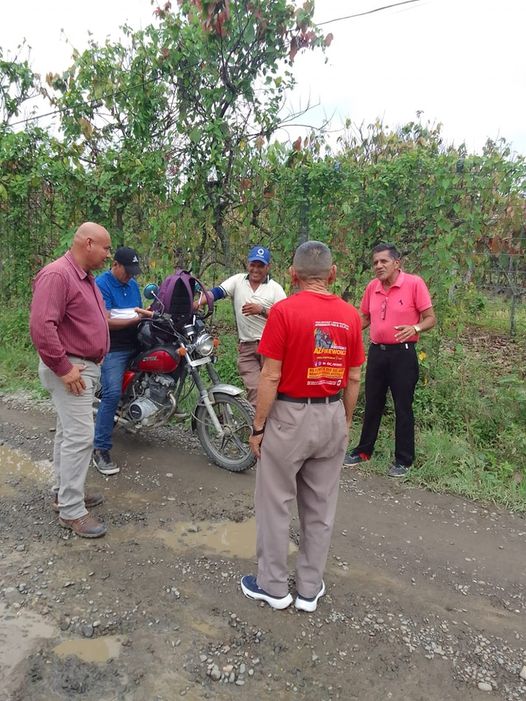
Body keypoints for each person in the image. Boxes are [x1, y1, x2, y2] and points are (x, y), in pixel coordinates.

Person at [240, 241, 365, 612]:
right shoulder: (350, 316)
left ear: (292, 275)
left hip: (289, 417)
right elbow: (354, 377)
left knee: (275, 502)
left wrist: (258, 427)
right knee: (320, 507)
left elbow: (270, 375)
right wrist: (344, 420)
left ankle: (273, 586)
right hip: (331, 414)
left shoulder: (283, 312)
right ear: (333, 274)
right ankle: (309, 589)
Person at [29, 222, 112, 538]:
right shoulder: (57, 275)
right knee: (80, 437)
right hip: (71, 369)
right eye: (105, 248)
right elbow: (42, 327)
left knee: (68, 433)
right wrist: (64, 368)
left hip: (82, 367)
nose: (108, 254)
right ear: (88, 243)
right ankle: (72, 510)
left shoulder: (84, 278)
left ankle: (62, 493)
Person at [344, 243, 436, 477]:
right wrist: (345, 333)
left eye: (383, 261)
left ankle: (403, 459)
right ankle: (363, 451)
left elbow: (430, 318)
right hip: (377, 352)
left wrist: (415, 327)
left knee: (403, 406)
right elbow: (365, 317)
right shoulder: (372, 287)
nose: (378, 266)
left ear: (397, 263)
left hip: (403, 354)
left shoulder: (414, 284)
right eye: (375, 262)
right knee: (372, 403)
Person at [92, 247, 154, 475]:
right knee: (112, 393)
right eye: (127, 271)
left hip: (136, 342)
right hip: (114, 347)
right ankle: (100, 448)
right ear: (115, 265)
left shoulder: (133, 284)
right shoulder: (102, 284)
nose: (130, 276)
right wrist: (135, 319)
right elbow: (105, 321)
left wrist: (148, 314)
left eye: (133, 272)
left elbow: (136, 312)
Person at [200, 246, 286, 407]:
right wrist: (197, 303)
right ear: (247, 264)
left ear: (268, 267)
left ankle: (268, 421)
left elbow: (284, 318)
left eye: (260, 266)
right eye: (253, 265)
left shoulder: (276, 289)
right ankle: (256, 421)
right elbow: (216, 293)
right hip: (247, 347)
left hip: (269, 346)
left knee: (273, 389)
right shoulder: (238, 281)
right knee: (254, 388)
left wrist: (261, 310)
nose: (256, 269)